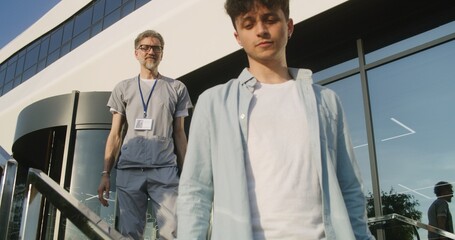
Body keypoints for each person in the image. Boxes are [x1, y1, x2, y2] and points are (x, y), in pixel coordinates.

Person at [177, 0, 374, 239]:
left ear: (289, 26)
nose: (261, 30)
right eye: (248, 24)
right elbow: (196, 192)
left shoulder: (326, 101)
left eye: (270, 20)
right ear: (237, 36)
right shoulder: (213, 103)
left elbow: (350, 186)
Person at [97, 30, 193, 240]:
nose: (151, 51)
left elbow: (179, 133)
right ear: (136, 53)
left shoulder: (176, 88)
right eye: (145, 47)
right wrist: (105, 173)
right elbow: (115, 135)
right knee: (130, 233)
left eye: (156, 48)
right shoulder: (123, 88)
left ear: (162, 53)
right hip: (129, 170)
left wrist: (187, 174)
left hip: (165, 170)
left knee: (172, 232)